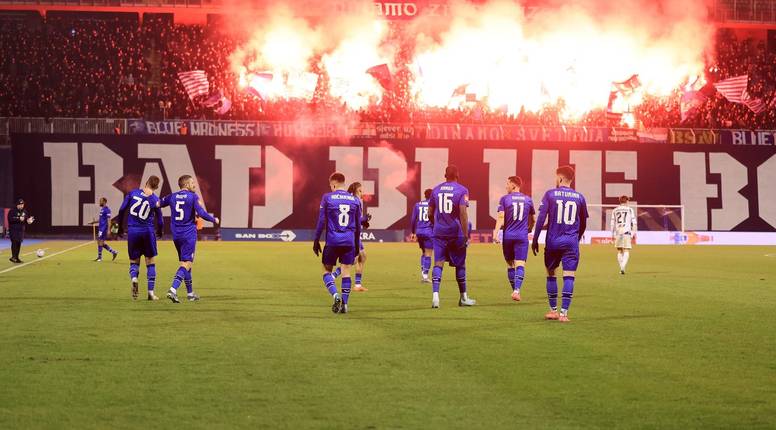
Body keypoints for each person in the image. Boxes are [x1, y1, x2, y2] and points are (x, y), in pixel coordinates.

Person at [531, 166, 588, 323]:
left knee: (551, 274)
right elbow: (583, 223)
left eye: (556, 177)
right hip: (571, 242)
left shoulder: (550, 194)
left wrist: (535, 239)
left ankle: (553, 310)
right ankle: (564, 314)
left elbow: (541, 218)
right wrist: (576, 238)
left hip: (553, 241)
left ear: (560, 178)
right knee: (569, 275)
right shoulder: (580, 197)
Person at [160, 175, 220, 303]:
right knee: (186, 263)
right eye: (192, 183)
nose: (194, 185)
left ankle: (190, 293)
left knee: (186, 264)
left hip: (176, 235)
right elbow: (201, 213)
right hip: (188, 234)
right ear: (186, 185)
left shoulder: (172, 196)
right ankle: (173, 289)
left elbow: (157, 203)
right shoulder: (193, 197)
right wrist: (214, 219)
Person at [313, 172, 362, 314]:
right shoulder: (355, 200)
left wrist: (316, 240)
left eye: (331, 186)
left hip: (332, 241)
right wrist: (357, 246)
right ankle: (345, 305)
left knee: (326, 271)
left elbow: (321, 221)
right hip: (349, 241)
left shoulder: (327, 197)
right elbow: (358, 226)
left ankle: (335, 295)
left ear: (333, 184)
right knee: (346, 271)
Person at [428, 165, 476, 309]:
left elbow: (430, 213)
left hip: (439, 233)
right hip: (456, 233)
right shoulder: (462, 190)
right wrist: (465, 234)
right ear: (457, 175)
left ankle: (435, 297)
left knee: (438, 263)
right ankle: (463, 298)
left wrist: (436, 225)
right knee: (460, 264)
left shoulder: (436, 190)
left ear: (445, 175)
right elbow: (463, 213)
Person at [116, 176, 164, 301]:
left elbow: (121, 210)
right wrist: (160, 231)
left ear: (146, 182)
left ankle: (134, 278)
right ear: (156, 187)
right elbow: (160, 219)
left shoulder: (133, 193)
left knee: (134, 261)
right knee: (150, 261)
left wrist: (120, 227)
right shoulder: (155, 199)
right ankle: (151, 293)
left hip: (133, 231)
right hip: (148, 231)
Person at [493, 176, 535, 302]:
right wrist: (529, 229)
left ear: (514, 185)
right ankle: (516, 290)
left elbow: (501, 217)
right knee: (520, 264)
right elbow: (533, 219)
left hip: (508, 236)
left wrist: (495, 233)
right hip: (522, 236)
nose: (506, 186)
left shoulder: (505, 199)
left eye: (508, 184)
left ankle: (515, 290)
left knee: (510, 264)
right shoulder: (528, 200)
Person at [331, 182, 372, 292]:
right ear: (356, 191)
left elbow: (352, 218)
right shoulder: (356, 201)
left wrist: (364, 222)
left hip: (352, 233)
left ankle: (357, 285)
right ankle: (334, 276)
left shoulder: (351, 200)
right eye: (360, 190)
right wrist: (364, 219)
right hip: (353, 234)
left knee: (362, 257)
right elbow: (356, 220)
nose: (362, 192)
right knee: (353, 260)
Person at [410, 189, 433, 283]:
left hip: (419, 231)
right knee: (428, 254)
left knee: (423, 252)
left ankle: (423, 274)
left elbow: (413, 219)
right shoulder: (433, 205)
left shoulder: (417, 204)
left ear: (425, 195)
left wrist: (413, 232)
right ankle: (425, 276)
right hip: (429, 231)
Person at [611, 195, 637, 274]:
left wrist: (612, 234)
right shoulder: (630, 210)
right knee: (626, 249)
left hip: (618, 232)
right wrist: (633, 233)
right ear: (626, 201)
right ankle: (623, 267)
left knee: (619, 250)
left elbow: (612, 223)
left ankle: (621, 267)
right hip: (626, 232)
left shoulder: (615, 210)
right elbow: (634, 222)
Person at [7, 198, 34, 263]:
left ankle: (17, 258)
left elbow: (26, 219)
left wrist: (29, 221)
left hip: (21, 230)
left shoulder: (24, 211)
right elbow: (10, 219)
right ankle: (13, 257)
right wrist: (18, 219)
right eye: (20, 204)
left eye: (22, 204)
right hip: (13, 230)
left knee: (18, 243)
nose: (21, 206)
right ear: (17, 205)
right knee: (14, 242)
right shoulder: (12, 211)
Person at [94, 197, 119, 262]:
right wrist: (94, 222)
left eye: (101, 201)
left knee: (100, 241)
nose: (99, 202)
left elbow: (109, 220)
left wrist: (108, 230)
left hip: (104, 228)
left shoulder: (107, 210)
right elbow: (101, 219)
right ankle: (113, 252)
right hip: (101, 228)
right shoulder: (102, 209)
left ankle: (100, 257)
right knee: (99, 242)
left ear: (104, 202)